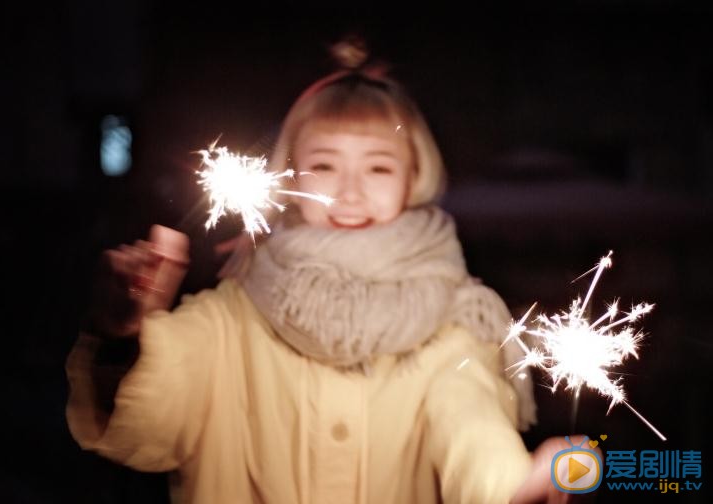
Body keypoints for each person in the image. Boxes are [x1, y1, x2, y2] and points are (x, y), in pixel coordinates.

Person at [66, 40, 588, 503]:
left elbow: (471, 428)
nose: (349, 191)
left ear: (413, 177)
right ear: (290, 175)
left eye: (378, 166)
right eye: (324, 165)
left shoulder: (453, 320)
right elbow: (148, 424)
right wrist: (122, 336)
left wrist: (511, 489)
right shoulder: (232, 315)